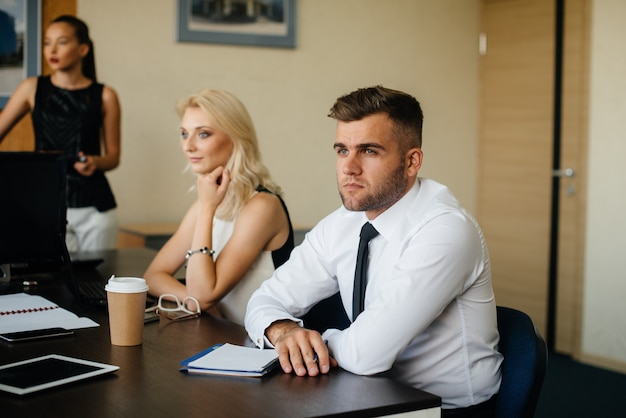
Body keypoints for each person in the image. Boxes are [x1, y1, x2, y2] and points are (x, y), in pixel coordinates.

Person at [245, 86, 503, 416]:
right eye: (341, 150)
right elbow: (264, 300)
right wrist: (284, 331)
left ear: (411, 161)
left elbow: (366, 355)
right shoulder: (343, 223)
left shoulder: (446, 231)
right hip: (364, 393)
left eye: (368, 151)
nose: (349, 167)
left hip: (440, 409)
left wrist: (310, 343)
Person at [144, 88, 294, 326]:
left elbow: (203, 294)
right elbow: (152, 277)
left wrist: (206, 208)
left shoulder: (262, 206)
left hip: (261, 348)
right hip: (221, 337)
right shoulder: (208, 201)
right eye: (184, 134)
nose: (188, 146)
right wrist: (194, 300)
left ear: (236, 138)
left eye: (202, 134)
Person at [0, 15, 121, 252]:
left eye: (62, 42)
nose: (52, 50)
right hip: (44, 206)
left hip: (95, 210)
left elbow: (114, 157)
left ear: (83, 49)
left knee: (94, 284)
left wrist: (96, 162)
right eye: (47, 42)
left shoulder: (105, 95)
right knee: (48, 282)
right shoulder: (31, 88)